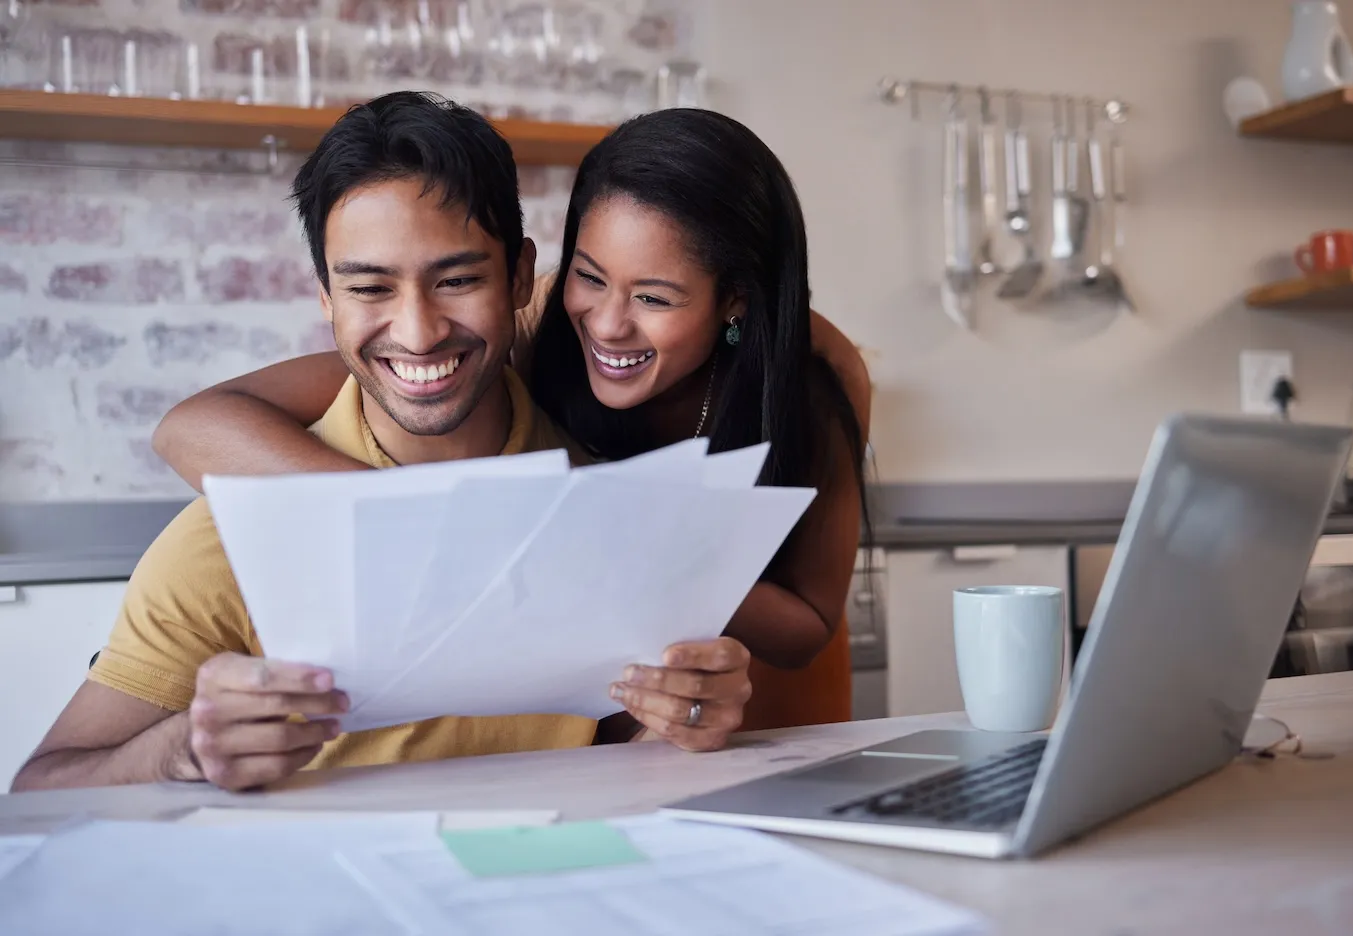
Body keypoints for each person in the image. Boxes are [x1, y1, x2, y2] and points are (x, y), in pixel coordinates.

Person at [10, 92, 753, 795]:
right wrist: (183, 750)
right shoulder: (226, 541)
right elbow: (41, 787)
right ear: (326, 298)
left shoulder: (605, 509)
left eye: (457, 279)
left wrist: (685, 720)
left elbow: (632, 751)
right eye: (369, 289)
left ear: (522, 276)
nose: (419, 331)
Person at [152, 108, 872, 731]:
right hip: (602, 707)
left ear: (736, 300)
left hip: (753, 697)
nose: (609, 324)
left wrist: (636, 540)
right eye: (590, 275)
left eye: (655, 299)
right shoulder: (530, 322)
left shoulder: (815, 378)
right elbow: (194, 425)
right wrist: (417, 519)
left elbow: (807, 627)